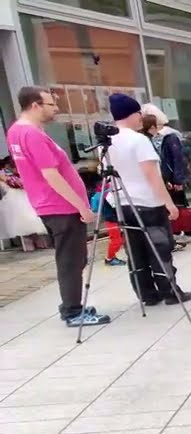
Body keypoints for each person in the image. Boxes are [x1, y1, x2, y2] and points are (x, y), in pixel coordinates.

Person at [7, 86, 109, 326]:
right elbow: (51, 175)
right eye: (51, 104)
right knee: (71, 260)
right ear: (35, 105)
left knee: (72, 258)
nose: (56, 109)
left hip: (50, 205)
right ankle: (73, 311)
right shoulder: (32, 135)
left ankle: (72, 305)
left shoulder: (15, 131)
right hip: (60, 207)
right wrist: (81, 206)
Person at [103, 93, 191, 307]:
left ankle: (146, 293)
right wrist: (169, 204)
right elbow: (152, 175)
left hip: (121, 202)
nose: (141, 117)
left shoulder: (106, 141)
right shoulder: (139, 140)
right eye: (138, 113)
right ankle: (170, 291)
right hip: (147, 202)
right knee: (159, 247)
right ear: (131, 114)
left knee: (135, 251)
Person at [140, 103, 191, 245]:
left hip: (170, 175)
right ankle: (174, 233)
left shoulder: (169, 136)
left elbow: (178, 159)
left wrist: (178, 180)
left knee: (179, 204)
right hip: (161, 176)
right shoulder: (147, 137)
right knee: (170, 206)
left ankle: (186, 231)